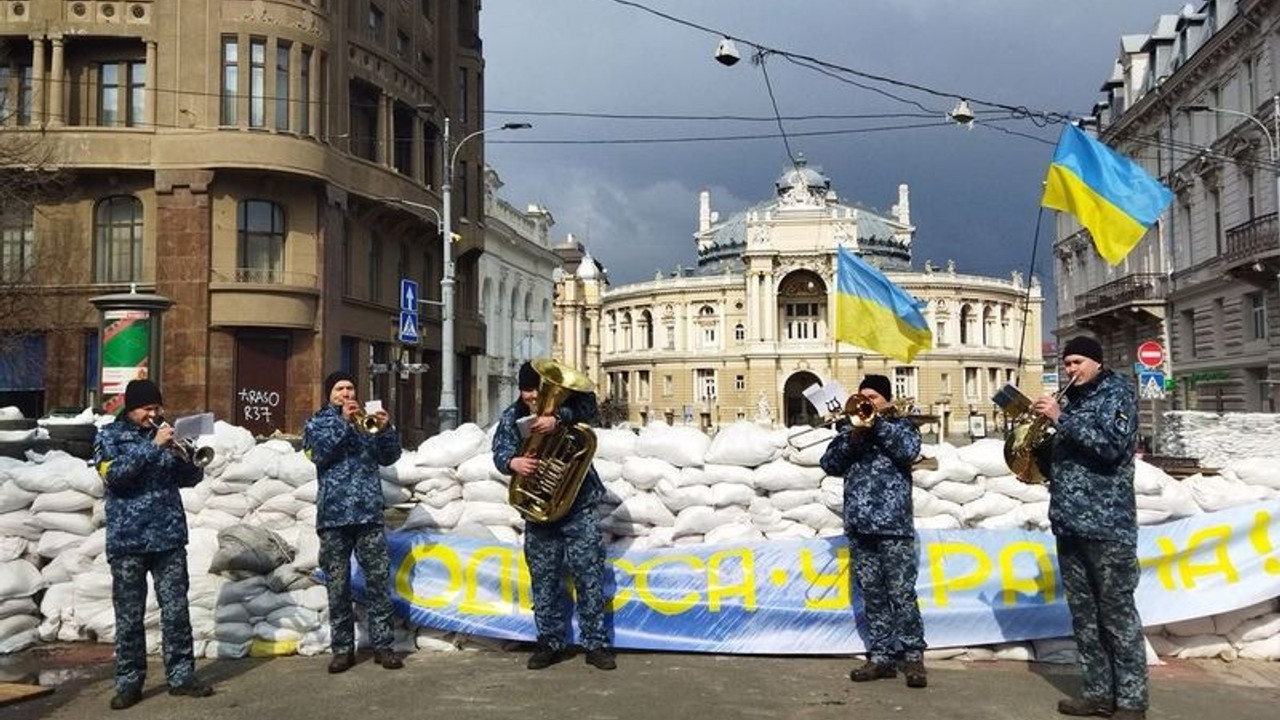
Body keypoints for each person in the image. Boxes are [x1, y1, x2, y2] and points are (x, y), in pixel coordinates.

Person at [1032, 336, 1146, 720]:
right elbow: (1066, 459)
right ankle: (1098, 693)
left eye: (1077, 362)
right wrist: (1034, 456)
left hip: (1107, 525)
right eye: (1066, 364)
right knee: (1084, 615)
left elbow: (1113, 447)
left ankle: (1130, 700)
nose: (1070, 370)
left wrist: (1061, 419)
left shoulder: (1118, 395)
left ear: (1096, 362)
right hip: (1070, 522)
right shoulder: (1074, 401)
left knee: (1117, 613)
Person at [93, 379, 213, 710]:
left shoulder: (165, 436)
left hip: (168, 538)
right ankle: (130, 682)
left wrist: (187, 455)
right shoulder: (109, 437)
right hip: (128, 540)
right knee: (130, 617)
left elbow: (188, 480)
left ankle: (182, 676)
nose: (154, 414)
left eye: (158, 408)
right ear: (130, 409)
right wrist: (153, 447)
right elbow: (114, 475)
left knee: (176, 611)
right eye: (147, 408)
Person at [492, 360, 616, 671]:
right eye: (526, 391)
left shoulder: (570, 403)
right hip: (539, 508)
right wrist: (513, 464)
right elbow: (499, 451)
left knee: (588, 573)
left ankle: (595, 643)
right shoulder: (513, 416)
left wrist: (559, 418)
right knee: (544, 577)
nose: (531, 397)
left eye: (535, 390)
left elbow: (591, 407)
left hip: (578, 503)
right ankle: (549, 641)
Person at [819, 374, 927, 689]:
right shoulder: (849, 430)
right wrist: (852, 438)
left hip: (893, 525)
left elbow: (908, 452)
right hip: (860, 525)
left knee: (902, 593)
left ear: (885, 401)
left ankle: (913, 657)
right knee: (873, 594)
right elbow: (829, 464)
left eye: (873, 398)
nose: (867, 402)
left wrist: (877, 424)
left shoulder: (903, 427)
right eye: (862, 396)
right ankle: (880, 657)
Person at [303, 371, 403, 673]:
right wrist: (344, 424)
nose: (346, 394)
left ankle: (384, 646)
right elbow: (318, 454)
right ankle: (342, 649)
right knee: (338, 584)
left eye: (350, 387)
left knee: (377, 581)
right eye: (339, 389)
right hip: (334, 516)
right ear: (329, 395)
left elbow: (390, 457)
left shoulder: (367, 421)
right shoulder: (317, 423)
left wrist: (385, 430)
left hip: (368, 513)